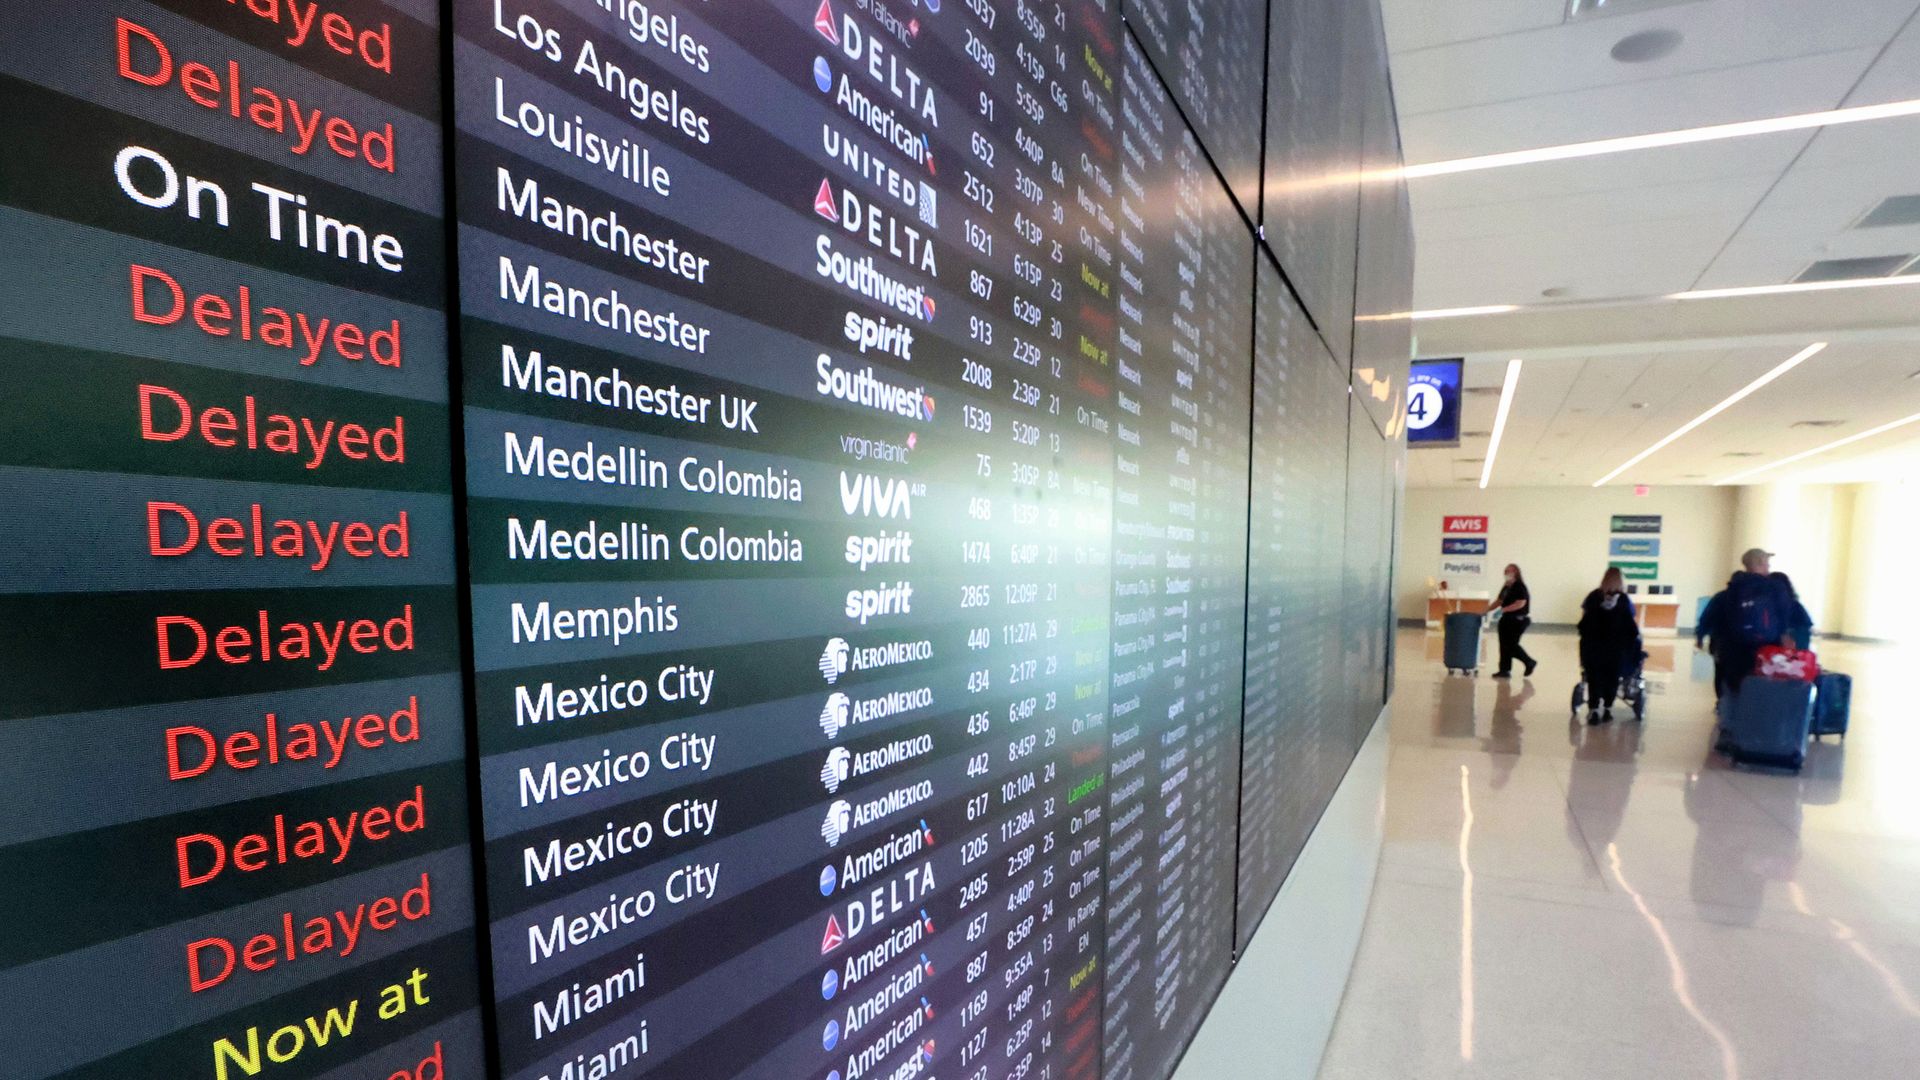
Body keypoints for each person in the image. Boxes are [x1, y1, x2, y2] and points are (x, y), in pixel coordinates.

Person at [1695, 548, 1800, 702]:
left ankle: (1727, 711)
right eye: (1766, 564)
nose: (1768, 568)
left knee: (1731, 682)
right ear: (1759, 564)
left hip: (1733, 647)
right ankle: (1756, 714)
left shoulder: (1731, 590)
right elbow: (1785, 612)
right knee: (1763, 680)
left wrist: (1700, 635)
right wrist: (1785, 634)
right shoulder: (1775, 589)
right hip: (1767, 646)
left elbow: (1710, 616)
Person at [1577, 567, 1641, 723]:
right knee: (1612, 677)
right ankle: (1607, 709)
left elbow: (1584, 621)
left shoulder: (1593, 596)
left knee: (1594, 677)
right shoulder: (1624, 600)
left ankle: (1593, 710)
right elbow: (1631, 624)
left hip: (1593, 646)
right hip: (1615, 648)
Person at [1491, 563, 1535, 678]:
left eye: (1509, 571)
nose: (1506, 574)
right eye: (1505, 571)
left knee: (1511, 645)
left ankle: (1529, 662)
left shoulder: (1519, 586)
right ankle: (1504, 670)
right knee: (1504, 645)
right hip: (1506, 619)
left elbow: (1521, 603)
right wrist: (1486, 610)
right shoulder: (1506, 587)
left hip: (1517, 620)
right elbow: (1499, 601)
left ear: (1516, 573)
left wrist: (1503, 610)